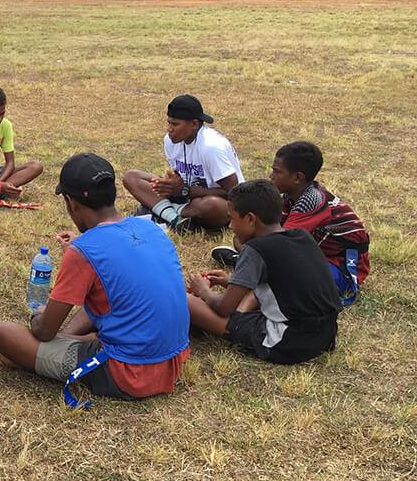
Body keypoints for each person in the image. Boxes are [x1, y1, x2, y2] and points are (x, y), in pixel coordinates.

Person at [0, 153, 190, 401]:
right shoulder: (149, 227)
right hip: (174, 360)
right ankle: (81, 340)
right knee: (105, 293)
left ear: (71, 202)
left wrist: (37, 313)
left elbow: (43, 331)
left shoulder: (83, 251)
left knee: (4, 334)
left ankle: (51, 351)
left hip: (130, 372)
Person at [187, 179, 341, 364]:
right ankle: (240, 315)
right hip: (325, 335)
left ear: (250, 219)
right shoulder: (302, 236)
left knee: (186, 301)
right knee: (246, 296)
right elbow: (287, 286)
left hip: (287, 342)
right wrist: (231, 281)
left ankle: (235, 322)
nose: (230, 227)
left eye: (232, 219)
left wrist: (203, 290)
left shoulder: (255, 249)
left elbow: (223, 308)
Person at [210, 141, 369, 305]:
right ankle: (250, 264)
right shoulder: (290, 197)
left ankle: (250, 265)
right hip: (315, 257)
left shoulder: (312, 201)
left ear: (297, 178)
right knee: (246, 241)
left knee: (288, 281)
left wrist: (253, 252)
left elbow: (281, 248)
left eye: (276, 171)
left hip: (341, 269)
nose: (271, 176)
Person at [123, 94, 243, 233]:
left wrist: (185, 191)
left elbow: (235, 193)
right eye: (169, 123)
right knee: (132, 177)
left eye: (175, 124)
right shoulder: (170, 141)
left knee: (211, 206)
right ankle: (175, 219)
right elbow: (181, 179)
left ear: (194, 124)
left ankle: (161, 210)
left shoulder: (211, 146)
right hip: (186, 198)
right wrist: (170, 185)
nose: (169, 129)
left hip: (215, 201)